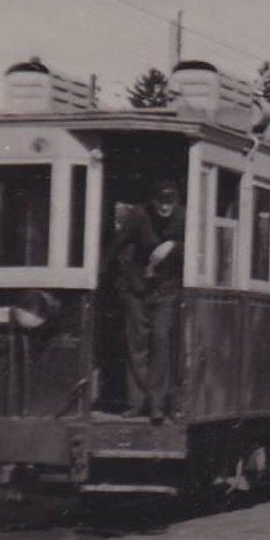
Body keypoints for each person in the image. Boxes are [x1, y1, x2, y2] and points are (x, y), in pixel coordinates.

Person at [109, 178, 186, 423]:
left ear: (177, 200)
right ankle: (136, 402)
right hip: (137, 287)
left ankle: (156, 404)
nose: (165, 206)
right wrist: (117, 280)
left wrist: (173, 246)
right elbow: (116, 247)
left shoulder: (185, 218)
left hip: (167, 288)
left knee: (161, 339)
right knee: (137, 343)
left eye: (170, 200)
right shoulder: (138, 216)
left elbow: (201, 248)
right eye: (160, 201)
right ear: (152, 201)